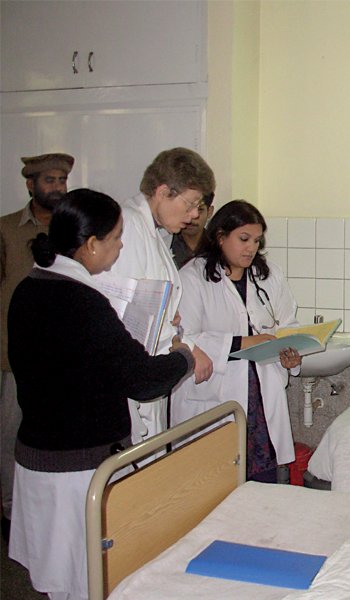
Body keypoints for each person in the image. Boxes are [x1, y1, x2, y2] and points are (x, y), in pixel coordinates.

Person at [7, 188, 194, 600]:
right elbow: (143, 380)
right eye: (116, 238)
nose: (121, 245)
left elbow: (71, 364)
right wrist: (184, 357)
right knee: (87, 578)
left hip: (39, 455)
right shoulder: (84, 302)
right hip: (80, 467)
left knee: (59, 577)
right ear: (91, 245)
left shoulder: (30, 288)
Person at [171, 200, 301, 482]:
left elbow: (287, 325)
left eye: (256, 240)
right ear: (220, 237)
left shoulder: (268, 276)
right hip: (214, 395)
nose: (251, 248)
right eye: (243, 239)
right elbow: (184, 338)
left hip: (261, 396)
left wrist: (290, 355)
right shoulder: (192, 278)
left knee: (262, 479)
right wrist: (245, 343)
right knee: (217, 482)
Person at [98, 147, 216, 445]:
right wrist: (184, 343)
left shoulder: (155, 232)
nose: (192, 216)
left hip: (147, 368)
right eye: (190, 204)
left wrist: (168, 320)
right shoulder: (126, 229)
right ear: (163, 192)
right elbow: (121, 310)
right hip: (128, 376)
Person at [0, 152, 74, 539]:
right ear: (30, 185)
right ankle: (12, 518)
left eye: (62, 180)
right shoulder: (6, 229)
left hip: (63, 357)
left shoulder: (72, 231)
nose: (58, 187)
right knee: (13, 435)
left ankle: (44, 519)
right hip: (15, 359)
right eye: (50, 180)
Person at [170, 190, 214, 268]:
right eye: (187, 209)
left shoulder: (217, 246)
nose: (193, 217)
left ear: (209, 211)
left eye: (200, 210)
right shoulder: (166, 244)